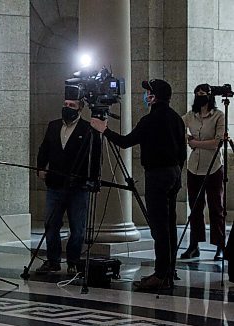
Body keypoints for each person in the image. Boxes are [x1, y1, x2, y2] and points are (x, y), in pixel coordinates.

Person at [91, 79, 187, 290]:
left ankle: (161, 275)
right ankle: (169, 270)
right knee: (169, 225)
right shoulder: (177, 119)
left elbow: (125, 142)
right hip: (174, 174)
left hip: (157, 176)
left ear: (153, 97)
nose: (145, 96)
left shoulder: (150, 120)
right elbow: (182, 152)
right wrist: (176, 170)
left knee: (159, 228)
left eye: (148, 93)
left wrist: (103, 130)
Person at [36, 98, 101, 276]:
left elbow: (95, 157)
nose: (67, 107)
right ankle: (53, 260)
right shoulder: (53, 126)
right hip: (55, 184)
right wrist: (40, 168)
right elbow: (44, 149)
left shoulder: (88, 129)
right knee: (51, 225)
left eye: (72, 105)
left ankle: (73, 261)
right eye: (65, 104)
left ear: (80, 109)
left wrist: (93, 179)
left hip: (78, 187)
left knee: (77, 228)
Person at [181, 84, 225, 261]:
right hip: (194, 167)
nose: (200, 96)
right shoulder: (190, 116)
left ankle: (220, 246)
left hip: (213, 166)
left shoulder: (218, 116)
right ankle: (194, 245)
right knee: (195, 208)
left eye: (203, 94)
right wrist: (187, 138)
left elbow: (217, 141)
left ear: (209, 96)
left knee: (216, 208)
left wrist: (195, 143)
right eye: (197, 94)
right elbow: (177, 126)